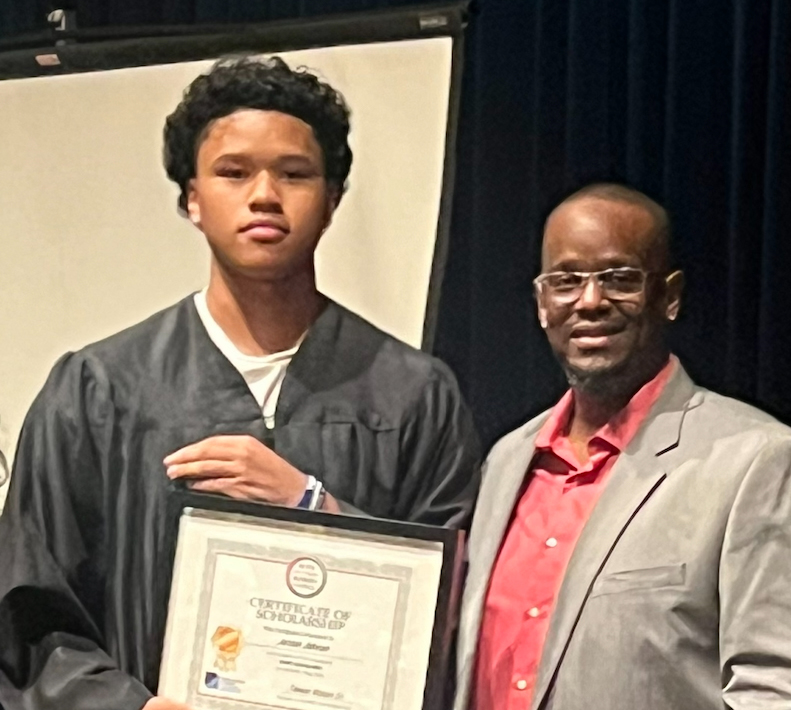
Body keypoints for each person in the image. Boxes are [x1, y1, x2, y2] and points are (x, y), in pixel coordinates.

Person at [0, 56, 480, 710]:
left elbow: (452, 605)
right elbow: (31, 621)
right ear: (191, 199)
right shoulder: (98, 393)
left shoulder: (411, 395)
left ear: (333, 200)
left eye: (294, 173)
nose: (264, 195)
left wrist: (313, 505)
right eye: (233, 172)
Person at [453, 183, 791, 710]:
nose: (590, 302)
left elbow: (783, 692)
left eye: (619, 278)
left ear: (668, 296)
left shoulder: (761, 462)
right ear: (541, 304)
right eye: (566, 281)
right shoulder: (506, 460)